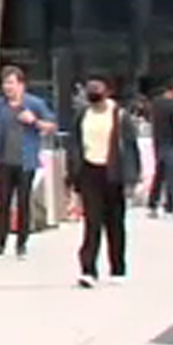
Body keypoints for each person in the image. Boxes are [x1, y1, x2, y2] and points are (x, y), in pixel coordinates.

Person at [67, 75, 140, 288]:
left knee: (115, 223)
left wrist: (132, 178)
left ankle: (118, 268)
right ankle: (88, 270)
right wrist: (73, 176)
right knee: (92, 222)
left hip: (113, 172)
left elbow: (130, 148)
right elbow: (75, 145)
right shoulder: (83, 115)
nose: (95, 103)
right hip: (90, 171)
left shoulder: (120, 115)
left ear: (107, 93)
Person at [0, 65, 56, 259]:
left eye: (11, 83)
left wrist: (34, 121)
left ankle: (22, 243)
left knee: (24, 202)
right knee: (3, 202)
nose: (7, 87)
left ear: (21, 85)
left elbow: (51, 125)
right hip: (4, 160)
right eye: (4, 83)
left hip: (26, 161)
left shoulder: (34, 103)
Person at [146, 79, 173, 219]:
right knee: (172, 176)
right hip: (172, 144)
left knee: (159, 175)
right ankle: (169, 206)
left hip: (159, 142)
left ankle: (153, 204)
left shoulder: (156, 103)